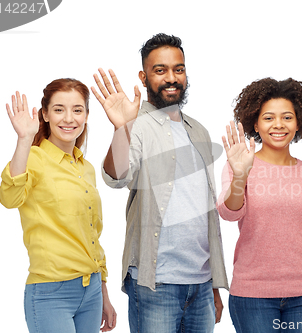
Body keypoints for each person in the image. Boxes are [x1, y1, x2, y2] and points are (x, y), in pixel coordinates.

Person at [91, 33, 228, 333]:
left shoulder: (200, 131)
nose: (171, 78)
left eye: (178, 69)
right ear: (144, 76)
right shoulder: (137, 126)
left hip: (201, 285)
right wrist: (122, 129)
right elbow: (116, 178)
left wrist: (214, 285)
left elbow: (205, 212)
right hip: (156, 283)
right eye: (160, 70)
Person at [0, 79, 117, 333]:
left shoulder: (85, 168)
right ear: (45, 114)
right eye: (59, 109)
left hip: (92, 290)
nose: (69, 118)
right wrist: (24, 140)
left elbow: (93, 236)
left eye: (77, 110)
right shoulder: (34, 158)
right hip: (51, 293)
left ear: (86, 115)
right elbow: (9, 197)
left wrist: (103, 292)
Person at [217, 78, 302, 333]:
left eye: (287, 117)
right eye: (268, 118)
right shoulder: (239, 164)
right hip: (253, 296)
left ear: (299, 122)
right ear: (255, 124)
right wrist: (240, 175)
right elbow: (228, 212)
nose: (278, 125)